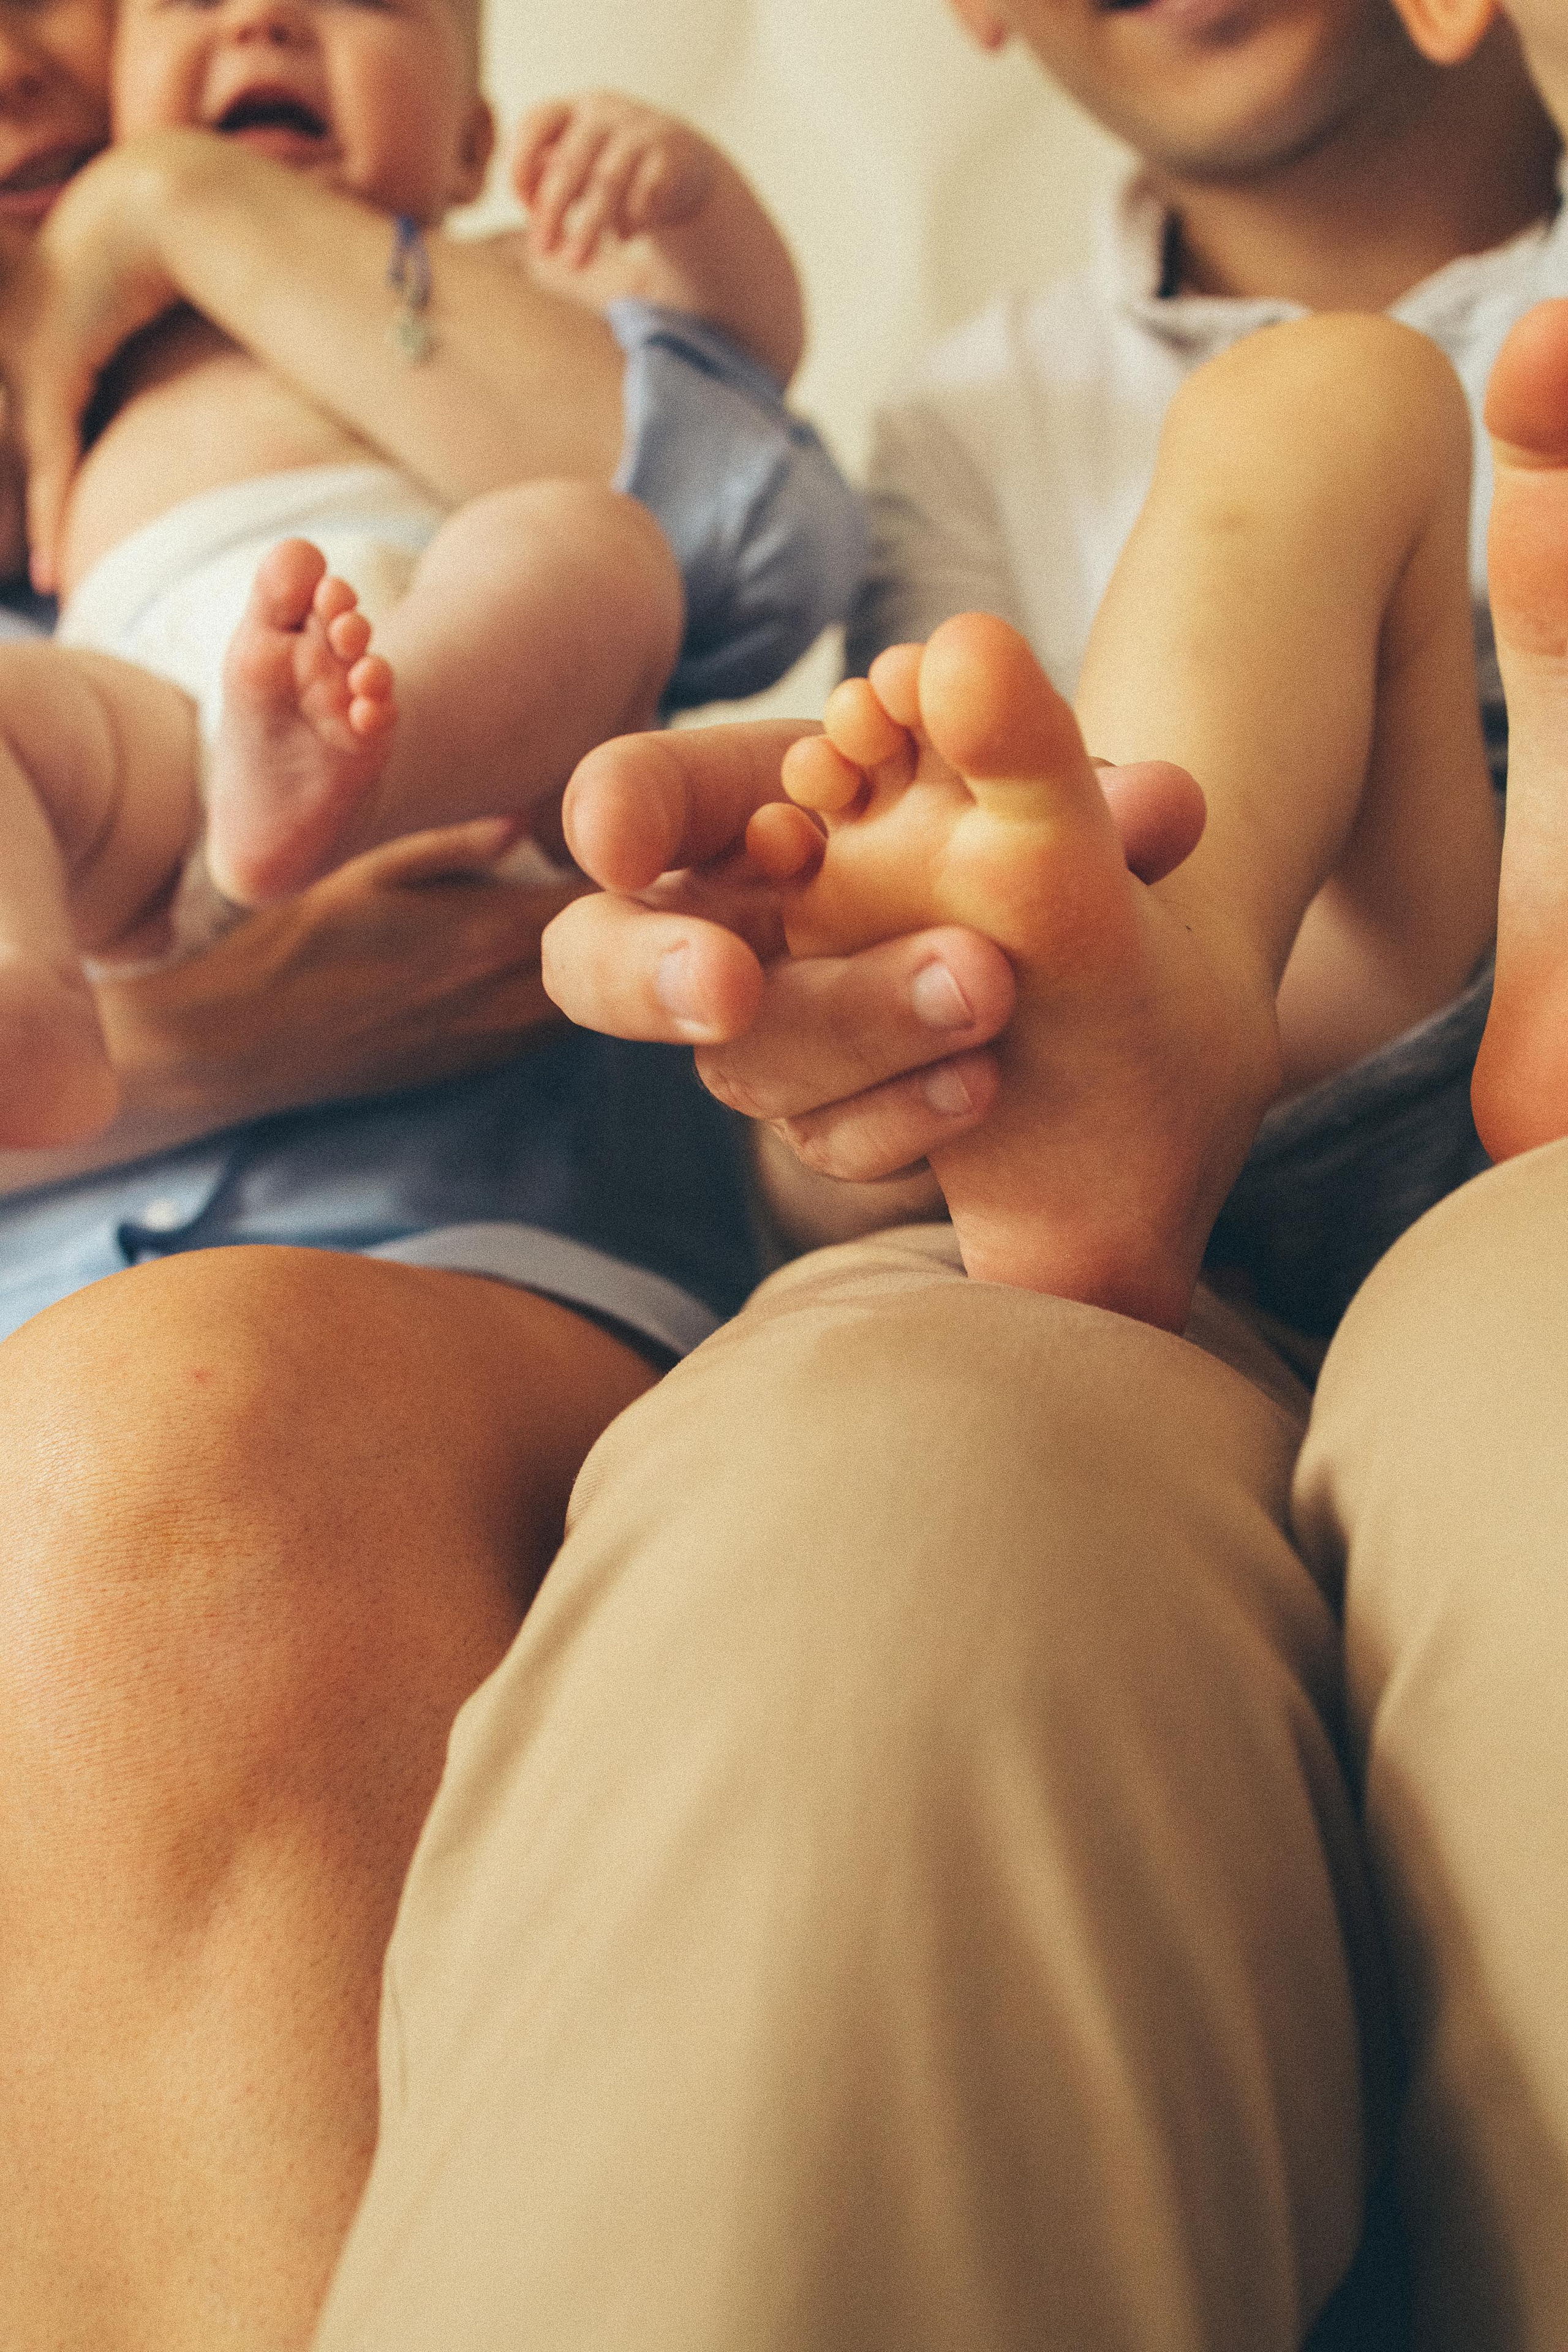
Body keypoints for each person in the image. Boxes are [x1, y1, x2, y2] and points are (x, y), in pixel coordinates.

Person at [0, 15, 1563, 2352]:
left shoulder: (596, 385)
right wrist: (857, 968)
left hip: (1384, 1035)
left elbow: (655, 523)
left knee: (1325, 402)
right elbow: (895, 749)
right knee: (1309, 417)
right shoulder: (976, 416)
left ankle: (1164, 1004)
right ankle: (1131, 1023)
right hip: (1146, 1111)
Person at [0, 0, 862, 1151]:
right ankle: (26, 986)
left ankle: (350, 766)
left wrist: (695, 207)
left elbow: (739, 359)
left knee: (596, 546)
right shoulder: (72, 347)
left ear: (470, 147)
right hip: (150, 740)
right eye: (191, 0)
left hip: (444, 694)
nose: (262, 20)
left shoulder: (505, 278)